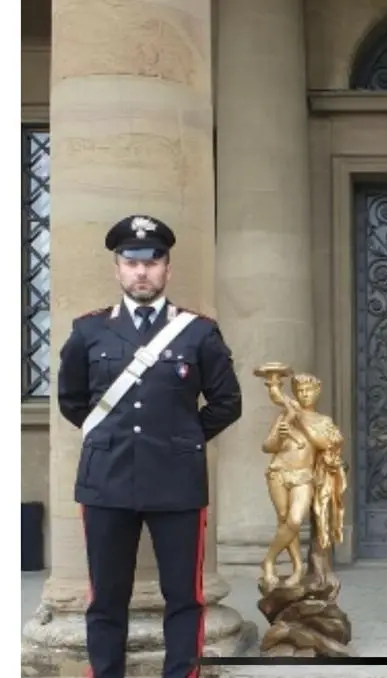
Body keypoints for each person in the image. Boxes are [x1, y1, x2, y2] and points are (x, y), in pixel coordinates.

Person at [57, 214, 243, 678]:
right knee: (106, 596)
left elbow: (227, 401)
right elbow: (72, 400)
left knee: (184, 596)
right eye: (131, 261)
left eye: (152, 262)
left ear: (167, 269)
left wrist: (182, 440)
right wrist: (109, 435)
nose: (142, 272)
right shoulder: (89, 331)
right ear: (117, 268)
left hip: (177, 484)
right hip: (106, 482)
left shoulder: (198, 333)